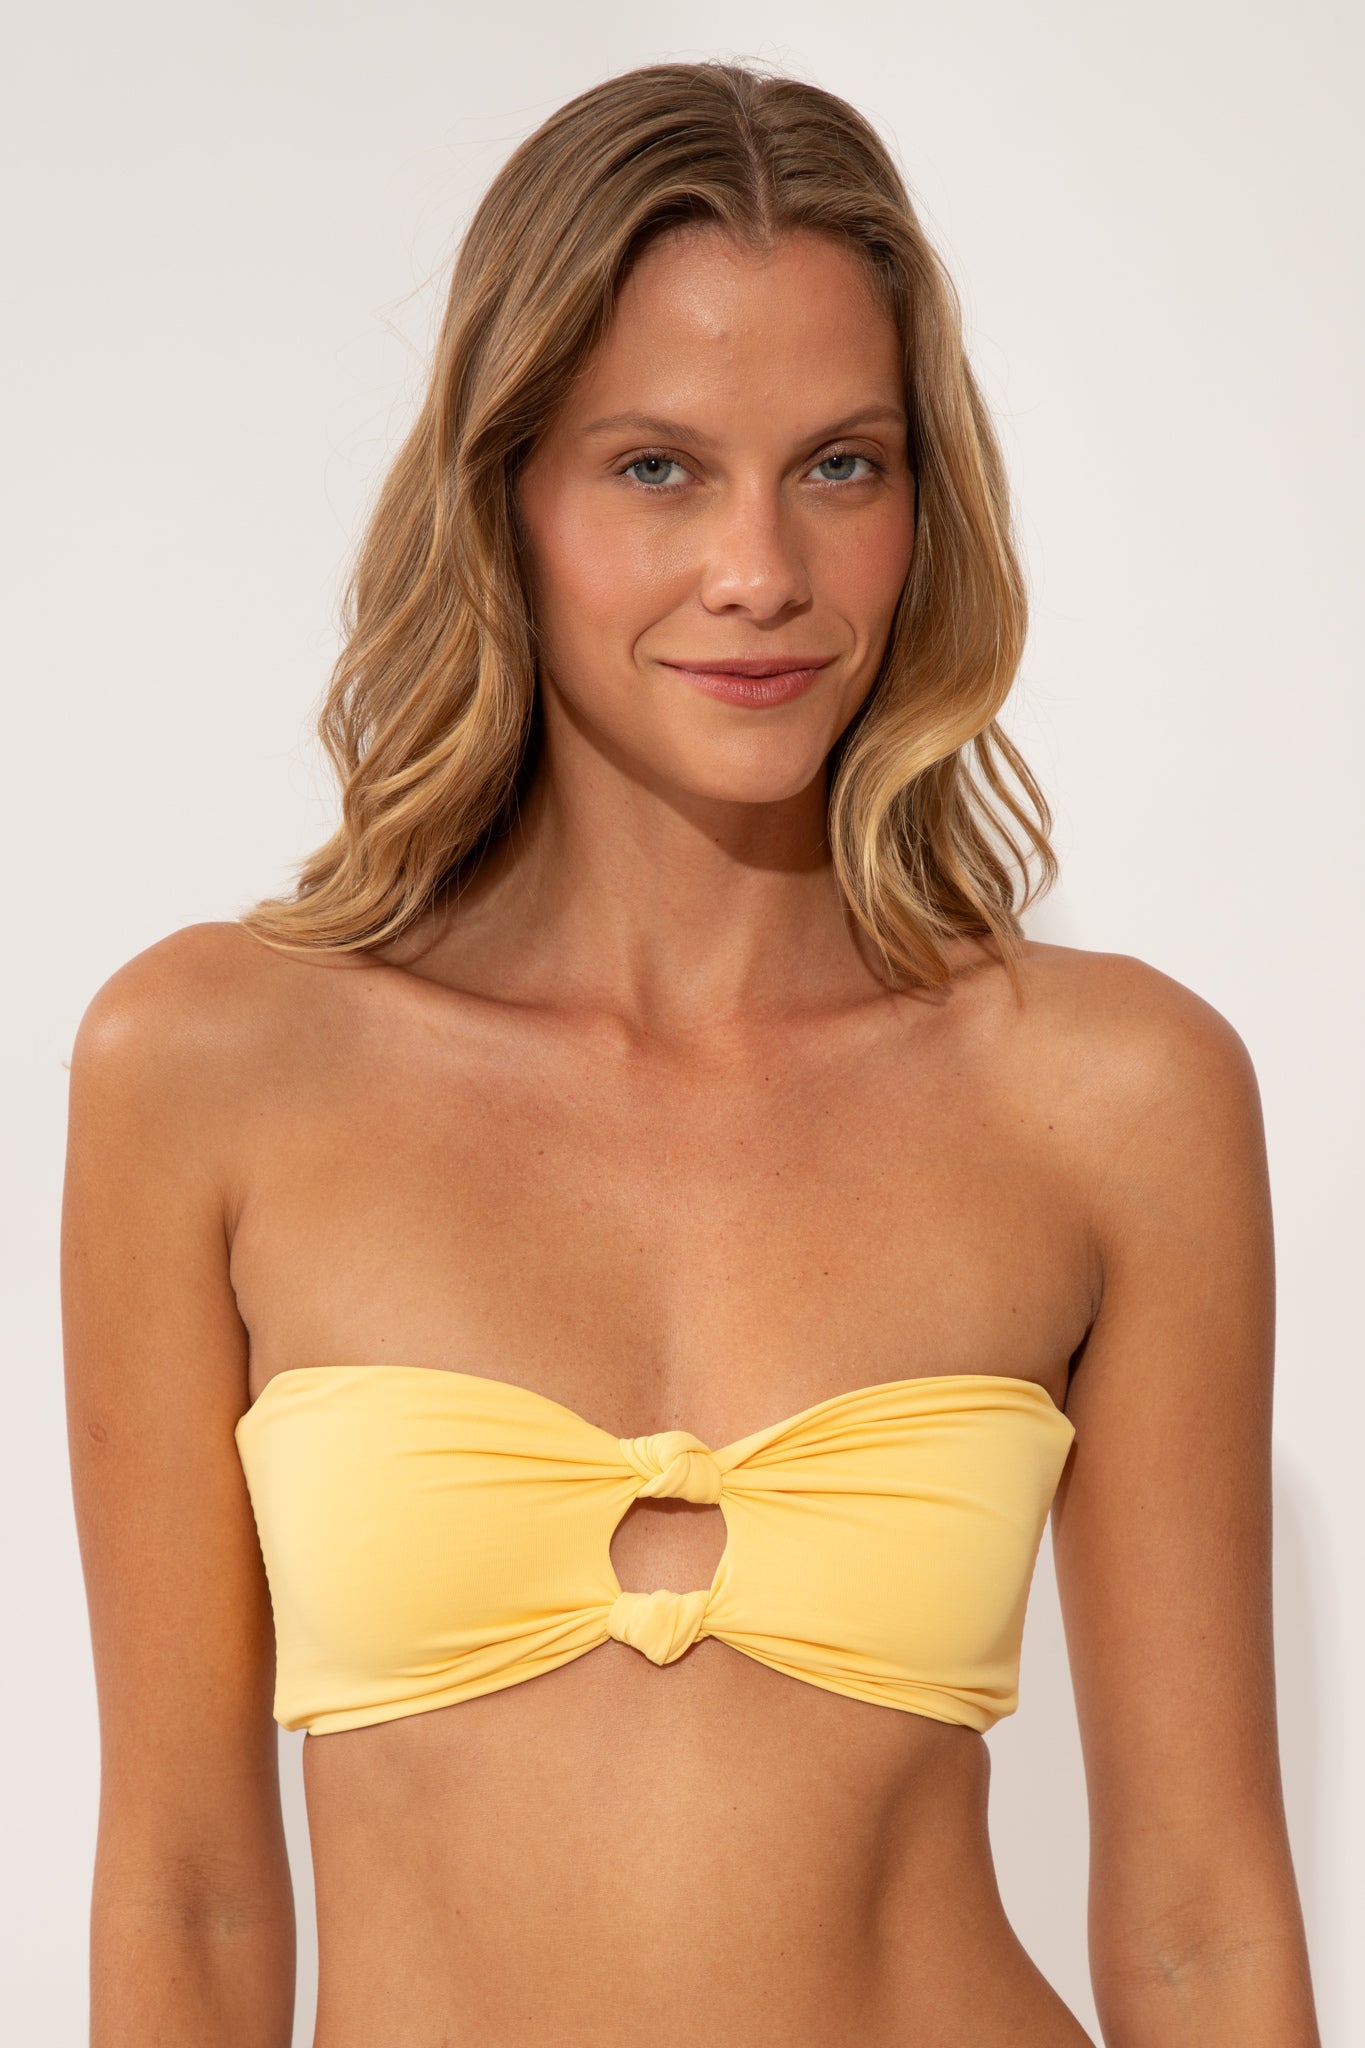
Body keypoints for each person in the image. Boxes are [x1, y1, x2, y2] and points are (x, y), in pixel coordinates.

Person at [62, 58, 1321, 2048]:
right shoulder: (210, 1067)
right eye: (656, 467)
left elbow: (1196, 1923)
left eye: (840, 466)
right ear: (506, 493)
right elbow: (190, 1894)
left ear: (922, 503)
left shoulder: (1112, 1095)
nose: (760, 570)